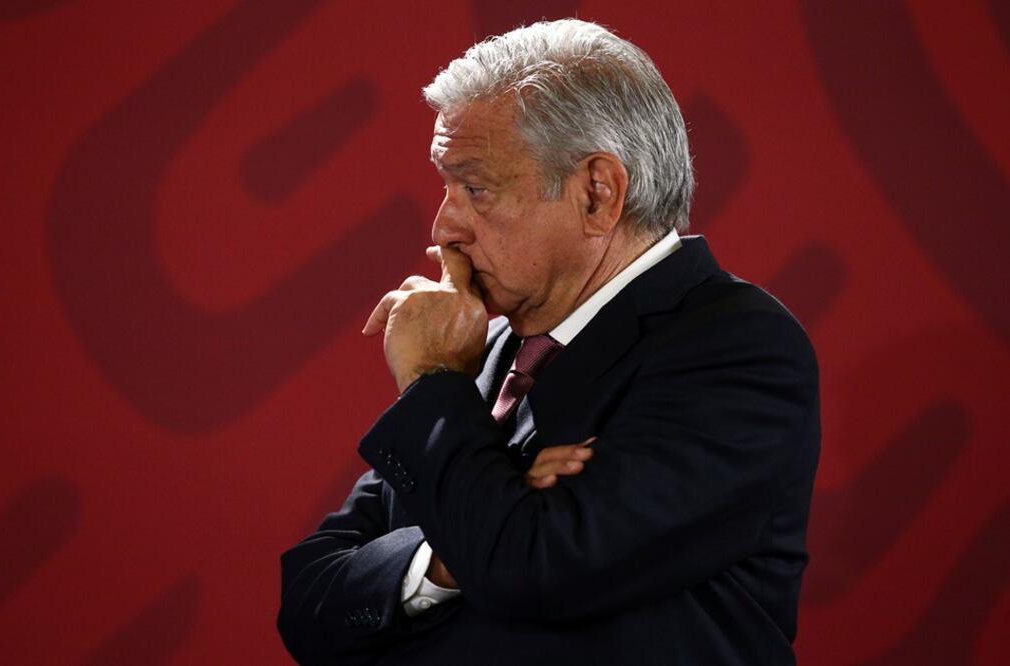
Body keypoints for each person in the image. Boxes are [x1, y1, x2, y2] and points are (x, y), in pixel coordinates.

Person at [277, 19, 819, 666]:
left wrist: (430, 384)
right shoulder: (489, 349)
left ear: (597, 193)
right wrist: (449, 555)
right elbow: (307, 601)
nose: (443, 225)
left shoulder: (735, 346)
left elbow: (535, 568)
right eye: (446, 187)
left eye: (475, 188)